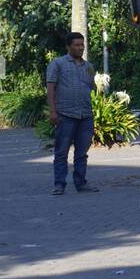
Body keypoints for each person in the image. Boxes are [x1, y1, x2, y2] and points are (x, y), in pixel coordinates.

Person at [45, 32, 100, 195]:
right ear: (68, 46)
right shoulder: (58, 64)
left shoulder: (88, 67)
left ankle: (81, 184)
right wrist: (53, 111)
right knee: (61, 152)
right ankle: (59, 185)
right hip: (65, 115)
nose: (80, 48)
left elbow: (91, 87)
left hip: (85, 116)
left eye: (82, 44)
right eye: (76, 45)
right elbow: (50, 88)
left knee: (82, 153)